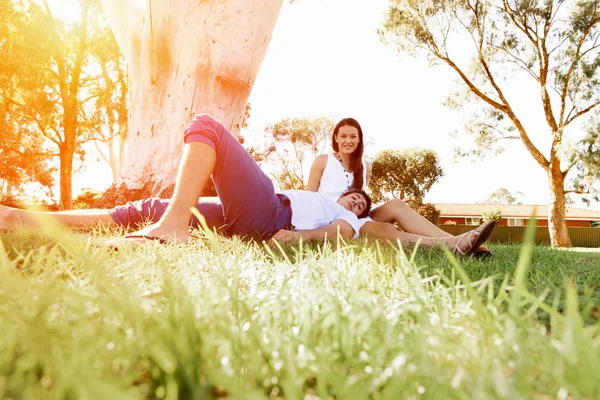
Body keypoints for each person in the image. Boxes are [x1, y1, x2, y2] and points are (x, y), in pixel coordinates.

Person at [1, 114, 494, 254]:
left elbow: (386, 230)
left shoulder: (349, 220)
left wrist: (450, 244)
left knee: (209, 127)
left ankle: (173, 226)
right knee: (146, 206)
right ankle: (21, 218)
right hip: (266, 206)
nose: (356, 198)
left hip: (269, 215)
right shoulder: (326, 186)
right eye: (356, 195)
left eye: (361, 199)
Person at [306, 117, 493, 256]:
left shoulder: (365, 166)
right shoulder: (323, 161)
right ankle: (454, 245)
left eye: (353, 136)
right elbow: (308, 198)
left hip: (357, 215)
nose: (348, 141)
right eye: (344, 136)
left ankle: (463, 242)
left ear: (359, 139)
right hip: (332, 217)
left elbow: (363, 200)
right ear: (336, 138)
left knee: (395, 204)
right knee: (387, 231)